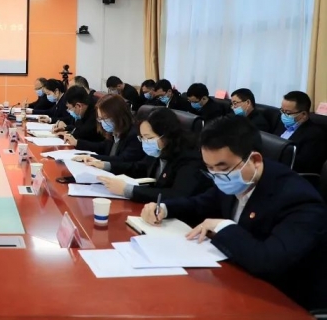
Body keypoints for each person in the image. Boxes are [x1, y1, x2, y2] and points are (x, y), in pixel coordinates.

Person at [139, 115, 327, 311]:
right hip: (237, 278)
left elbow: (268, 261)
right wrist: (165, 208)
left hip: (285, 299)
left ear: (255, 160)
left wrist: (222, 226)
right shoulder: (235, 177)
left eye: (223, 168)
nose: (217, 176)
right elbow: (201, 203)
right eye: (210, 169)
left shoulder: (299, 199)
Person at [74, 108, 210, 202]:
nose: (145, 142)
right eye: (142, 138)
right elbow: (139, 167)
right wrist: (105, 165)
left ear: (167, 135)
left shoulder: (189, 158)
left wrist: (129, 190)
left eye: (149, 137)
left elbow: (176, 195)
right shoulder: (159, 150)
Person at [73, 94, 145, 164]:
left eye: (105, 118)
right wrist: (77, 143)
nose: (103, 122)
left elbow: (122, 160)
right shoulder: (114, 131)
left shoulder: (134, 135)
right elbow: (102, 147)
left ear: (118, 115)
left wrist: (93, 158)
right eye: (100, 118)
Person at [274, 91, 327, 174]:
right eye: (282, 111)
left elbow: (302, 165)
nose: (283, 116)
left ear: (304, 114)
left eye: (287, 113)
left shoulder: (315, 135)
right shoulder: (283, 124)